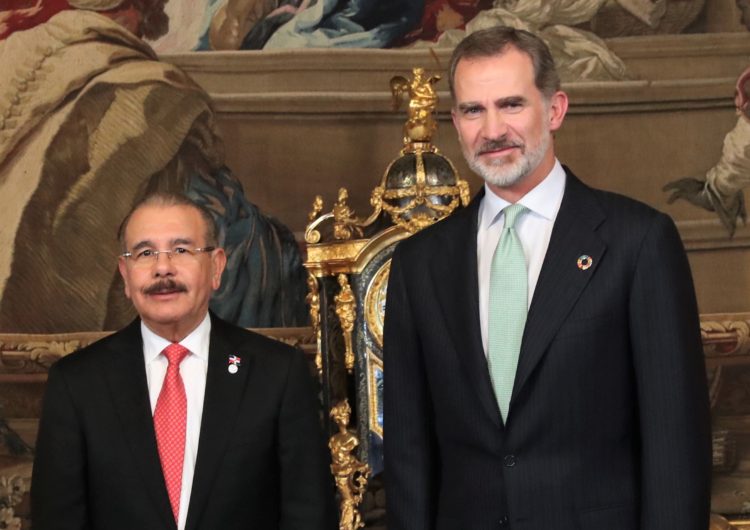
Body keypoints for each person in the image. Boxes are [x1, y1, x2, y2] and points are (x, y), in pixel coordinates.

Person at [383, 26, 712, 529]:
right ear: (455, 120)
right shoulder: (419, 263)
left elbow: (676, 446)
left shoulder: (638, 243)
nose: (492, 130)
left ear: (555, 109)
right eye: (474, 110)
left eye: (511, 104)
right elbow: (408, 453)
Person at [31, 192, 335, 530]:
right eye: (145, 253)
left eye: (181, 250)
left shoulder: (278, 373)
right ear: (126, 274)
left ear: (216, 267)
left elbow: (309, 516)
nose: (163, 268)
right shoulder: (77, 384)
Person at [0, 0, 307, 334]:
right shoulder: (154, 87)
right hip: (76, 296)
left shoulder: (15, 53)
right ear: (138, 9)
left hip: (15, 278)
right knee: (250, 247)